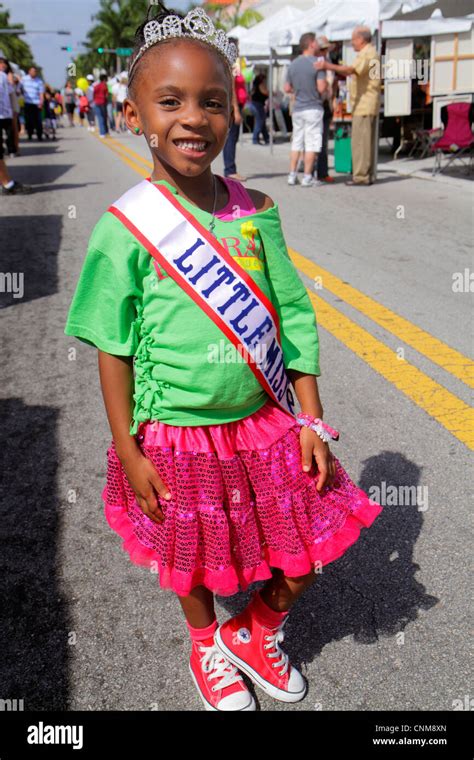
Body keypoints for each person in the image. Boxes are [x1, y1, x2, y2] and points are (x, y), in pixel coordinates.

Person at [64, 2, 382, 712]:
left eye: (211, 102)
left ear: (233, 113)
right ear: (136, 113)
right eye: (169, 101)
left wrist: (312, 419)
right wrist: (128, 446)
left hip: (262, 422)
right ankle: (206, 645)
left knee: (310, 542)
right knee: (196, 559)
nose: (192, 119)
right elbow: (111, 348)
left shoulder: (257, 208)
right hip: (173, 434)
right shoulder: (125, 229)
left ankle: (254, 630)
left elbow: (294, 313)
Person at [316, 26, 381, 186]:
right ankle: (367, 174)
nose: (352, 43)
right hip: (365, 103)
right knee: (365, 141)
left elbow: (352, 70)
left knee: (361, 142)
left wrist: (328, 66)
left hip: (365, 104)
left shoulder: (368, 54)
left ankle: (361, 176)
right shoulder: (369, 53)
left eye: (353, 39)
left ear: (361, 39)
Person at [284, 33, 327, 188]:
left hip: (298, 108)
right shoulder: (317, 63)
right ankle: (307, 177)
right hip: (313, 107)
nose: (318, 44)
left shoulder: (293, 64)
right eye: (316, 41)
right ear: (310, 44)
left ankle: (292, 174)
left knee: (296, 142)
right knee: (311, 143)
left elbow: (287, 88)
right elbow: (322, 87)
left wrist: (299, 89)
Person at [0, 68, 31, 194]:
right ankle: (7, 184)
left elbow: (10, 95)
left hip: (4, 115)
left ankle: (7, 183)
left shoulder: (3, 76)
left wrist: (14, 113)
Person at [222, 37, 246, 181]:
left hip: (237, 105)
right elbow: (231, 88)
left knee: (232, 138)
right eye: (236, 47)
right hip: (233, 107)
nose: (238, 50)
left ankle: (230, 168)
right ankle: (230, 169)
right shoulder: (228, 64)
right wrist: (235, 110)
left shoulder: (233, 64)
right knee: (231, 138)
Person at [314, 37, 335, 183]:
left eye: (326, 49)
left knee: (323, 141)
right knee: (314, 140)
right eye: (322, 49)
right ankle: (312, 171)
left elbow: (332, 86)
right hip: (315, 105)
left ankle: (322, 171)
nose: (325, 52)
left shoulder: (329, 63)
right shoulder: (314, 63)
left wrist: (333, 101)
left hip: (326, 105)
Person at [21, 65, 44, 140]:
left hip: (36, 103)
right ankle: (30, 134)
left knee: (38, 120)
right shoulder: (24, 79)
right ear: (29, 71)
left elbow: (41, 93)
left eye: (35, 71)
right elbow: (19, 88)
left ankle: (39, 135)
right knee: (28, 120)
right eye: (33, 71)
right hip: (27, 103)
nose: (34, 73)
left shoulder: (39, 81)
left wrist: (41, 103)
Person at [250, 73, 269, 145]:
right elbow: (265, 92)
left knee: (262, 122)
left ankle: (266, 138)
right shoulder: (260, 84)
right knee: (259, 121)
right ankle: (255, 139)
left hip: (255, 104)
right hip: (258, 105)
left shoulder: (254, 86)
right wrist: (270, 92)